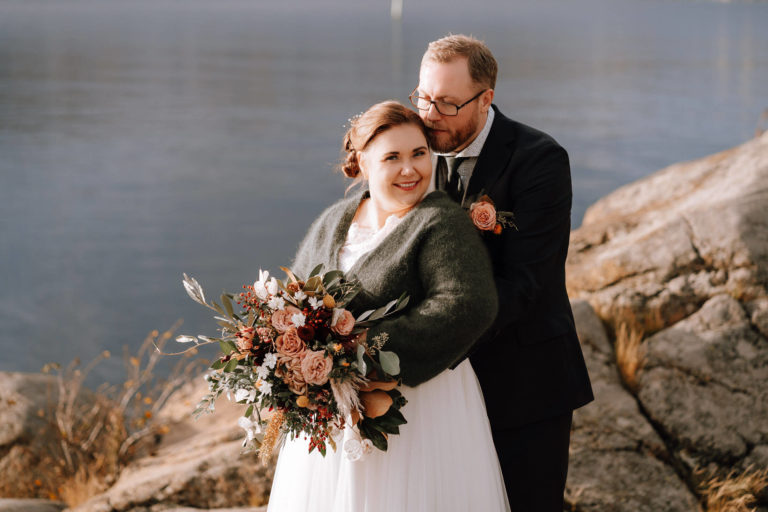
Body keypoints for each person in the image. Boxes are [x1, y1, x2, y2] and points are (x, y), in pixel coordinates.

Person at [266, 101, 510, 512]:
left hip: (422, 409)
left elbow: (468, 306)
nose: (410, 169)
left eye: (419, 154)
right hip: (335, 411)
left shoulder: (440, 223)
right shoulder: (334, 221)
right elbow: (294, 299)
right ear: (362, 162)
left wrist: (361, 350)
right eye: (392, 157)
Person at [410, 34, 594, 510]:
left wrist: (427, 340)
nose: (430, 115)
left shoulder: (539, 160)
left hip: (524, 385)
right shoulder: (413, 150)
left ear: (485, 98)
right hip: (438, 394)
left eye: (448, 104)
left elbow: (524, 284)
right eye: (424, 97)